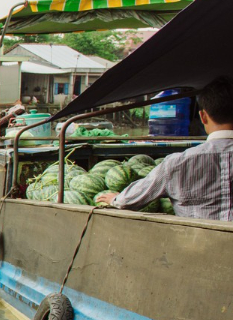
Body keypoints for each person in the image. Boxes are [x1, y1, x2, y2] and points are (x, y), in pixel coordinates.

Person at [95, 78, 233, 221]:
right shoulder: (175, 163)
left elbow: (128, 200)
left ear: (203, 117)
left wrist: (115, 199)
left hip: (194, 242)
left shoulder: (176, 163)